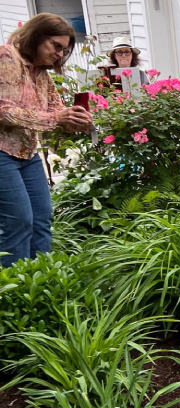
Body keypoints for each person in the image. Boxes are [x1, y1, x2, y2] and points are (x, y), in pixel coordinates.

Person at [0, 13, 93, 267]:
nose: (59, 55)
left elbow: (55, 111)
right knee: (18, 222)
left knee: (41, 219)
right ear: (37, 36)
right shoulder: (7, 57)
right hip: (2, 153)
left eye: (64, 50)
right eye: (56, 46)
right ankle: (13, 290)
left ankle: (41, 283)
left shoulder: (41, 74)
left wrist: (75, 119)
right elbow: (4, 110)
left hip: (27, 154)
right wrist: (57, 118)